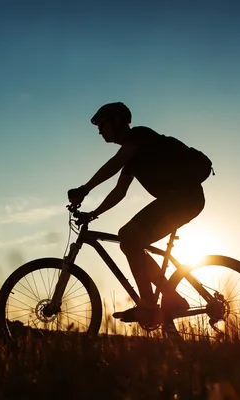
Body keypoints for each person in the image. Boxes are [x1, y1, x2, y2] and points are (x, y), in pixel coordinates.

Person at [67, 102, 209, 324]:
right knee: (131, 241)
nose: (99, 131)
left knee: (129, 235)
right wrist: (93, 213)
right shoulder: (131, 157)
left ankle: (148, 306)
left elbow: (114, 164)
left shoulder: (140, 136)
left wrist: (84, 189)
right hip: (178, 201)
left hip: (183, 198)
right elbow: (119, 192)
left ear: (116, 122)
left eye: (102, 124)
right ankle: (172, 299)